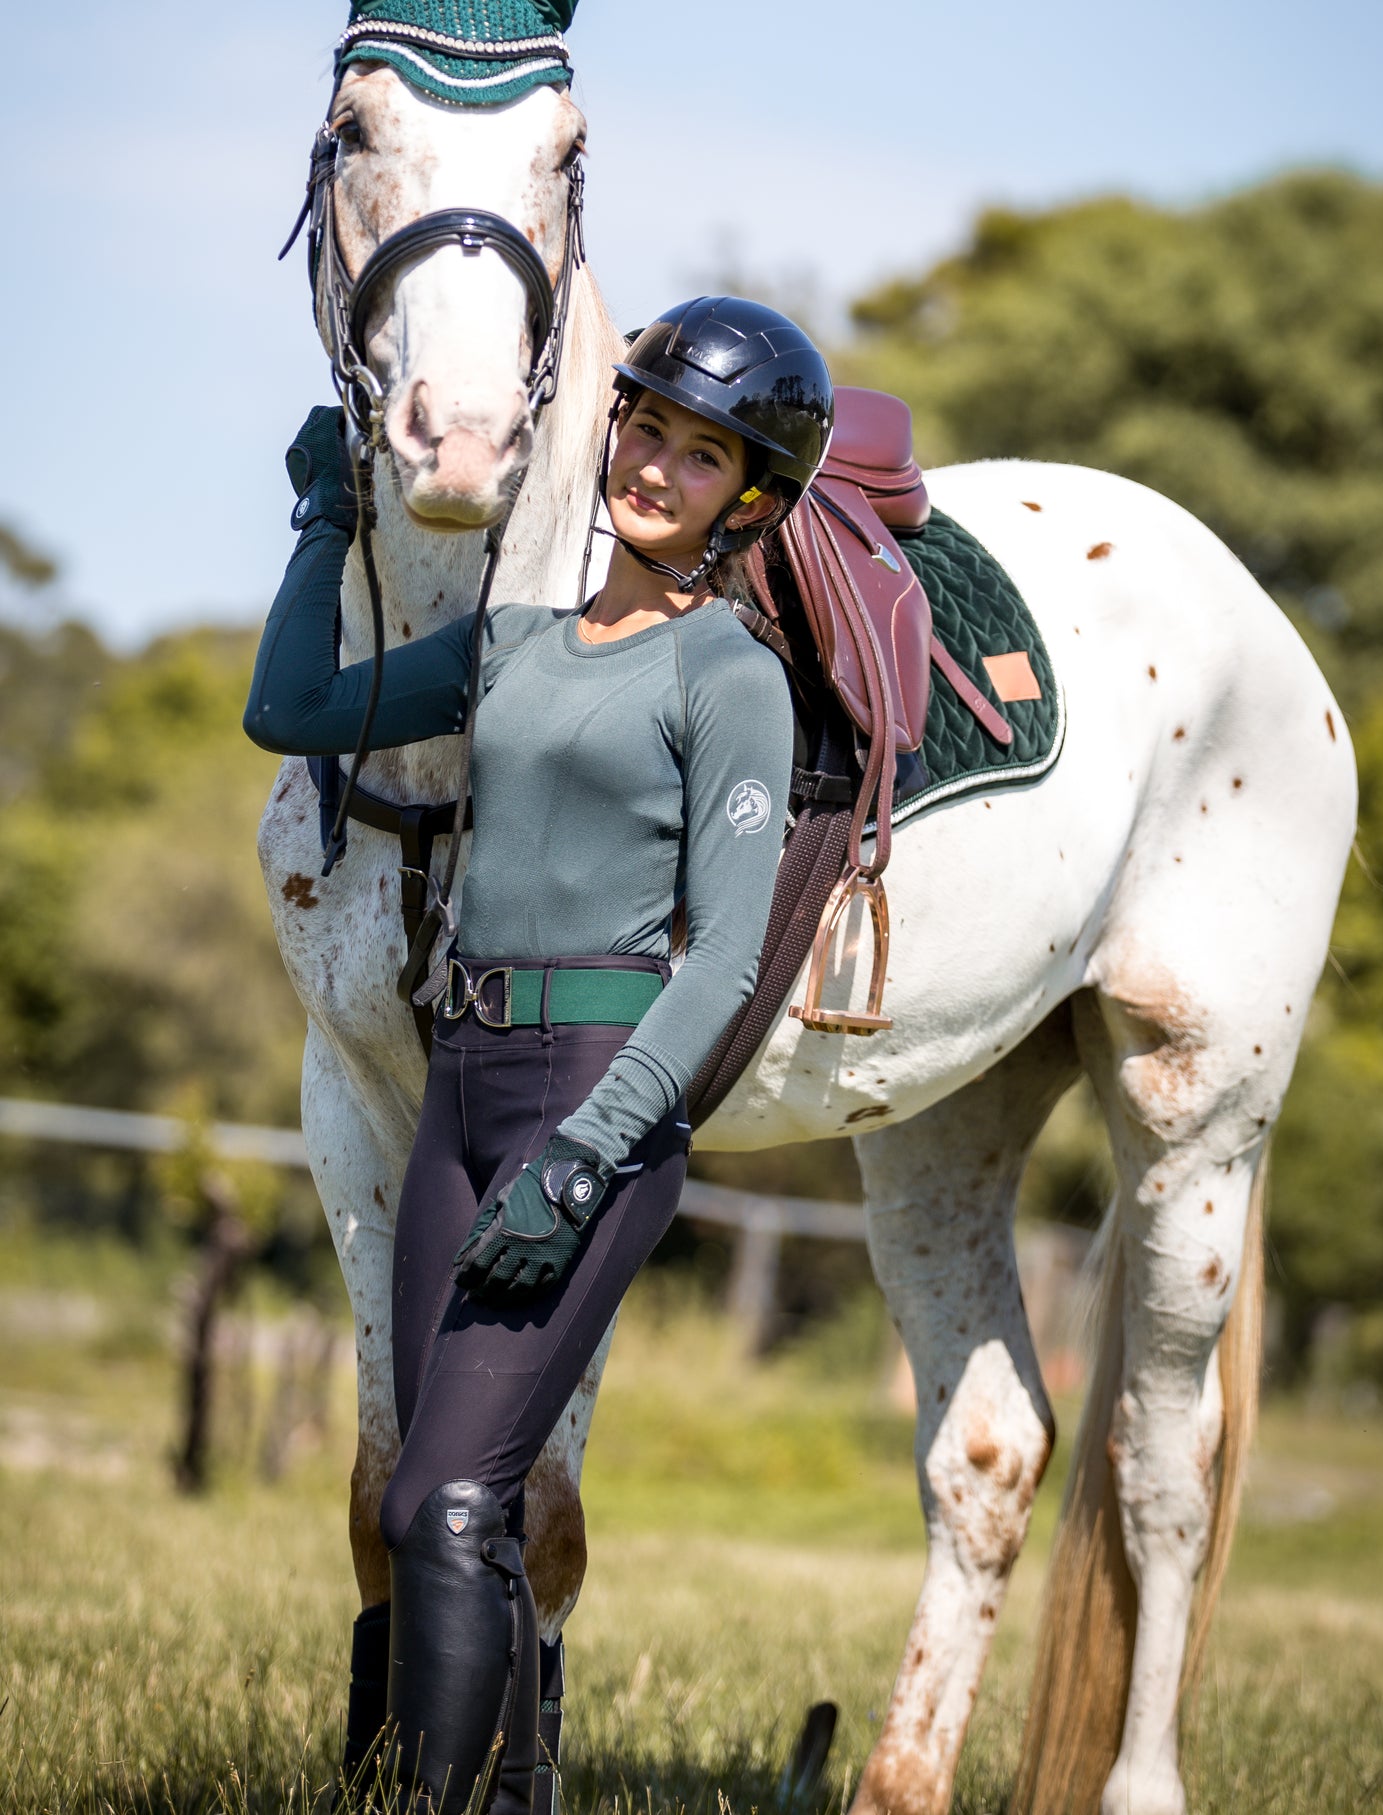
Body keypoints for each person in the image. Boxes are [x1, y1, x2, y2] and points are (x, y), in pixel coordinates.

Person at [245, 297, 834, 1813]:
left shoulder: (731, 677)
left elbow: (720, 957)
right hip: (457, 1089)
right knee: (455, 1499)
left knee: (444, 1502)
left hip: (591, 1103)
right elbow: (290, 709)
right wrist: (325, 515)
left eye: (702, 456)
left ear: (745, 500)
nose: (652, 465)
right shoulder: (508, 646)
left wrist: (584, 1157)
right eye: (643, 426)